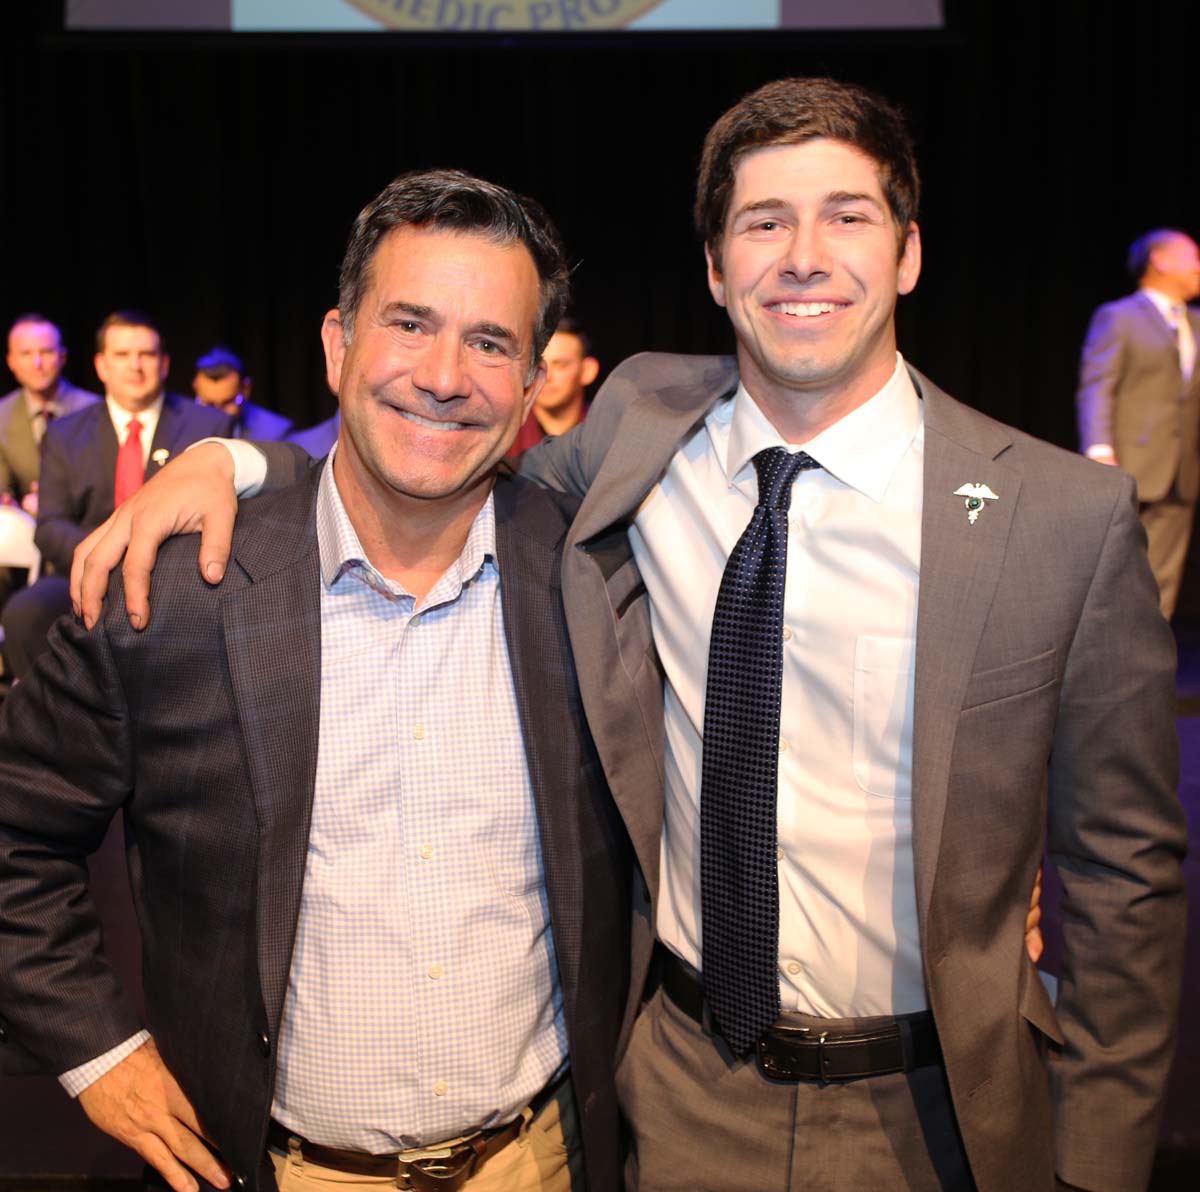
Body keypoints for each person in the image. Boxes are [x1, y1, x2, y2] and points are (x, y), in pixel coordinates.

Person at [71, 79, 1182, 1192]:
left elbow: (1127, 879)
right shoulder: (640, 432)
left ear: (907, 254)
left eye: (847, 215)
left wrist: (1096, 1167)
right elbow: (423, 441)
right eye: (763, 221)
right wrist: (238, 460)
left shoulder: (1060, 521)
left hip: (945, 1113)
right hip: (683, 1095)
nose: (803, 255)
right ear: (714, 265)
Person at [0, 171, 632, 1192]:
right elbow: (14, 833)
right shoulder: (178, 593)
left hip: (544, 1158)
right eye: (411, 323)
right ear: (338, 346)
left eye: (489, 342)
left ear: (528, 384)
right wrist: (98, 1052)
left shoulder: (587, 580)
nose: (443, 374)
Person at [0, 310, 233, 677]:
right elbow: (50, 526)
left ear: (165, 363)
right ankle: (63, 729)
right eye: (122, 356)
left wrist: (146, 560)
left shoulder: (209, 426)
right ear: (101, 366)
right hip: (85, 568)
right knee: (24, 614)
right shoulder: (64, 434)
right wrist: (109, 558)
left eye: (147, 355)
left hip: (174, 575)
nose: (135, 366)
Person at [1076, 228, 1200, 619]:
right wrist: (1099, 451)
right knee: (1115, 568)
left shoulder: (1195, 323)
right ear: (1160, 260)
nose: (1199, 267)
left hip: (1181, 468)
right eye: (1192, 257)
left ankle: (1151, 663)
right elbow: (1098, 385)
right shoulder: (1120, 317)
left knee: (1164, 572)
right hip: (1131, 463)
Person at [0, 313, 100, 514]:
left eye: (46, 352)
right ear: (11, 361)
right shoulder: (2, 414)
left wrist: (55, 498)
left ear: (62, 357)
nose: (37, 363)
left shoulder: (94, 410)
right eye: (26, 354)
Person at [507, 317, 598, 457]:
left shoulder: (607, 431)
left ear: (587, 371)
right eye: (538, 366)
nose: (547, 376)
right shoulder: (506, 434)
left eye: (561, 365)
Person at [193, 345, 294, 440]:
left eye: (227, 402)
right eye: (209, 404)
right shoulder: (183, 428)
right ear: (195, 388)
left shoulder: (275, 433)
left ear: (246, 389)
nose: (218, 413)